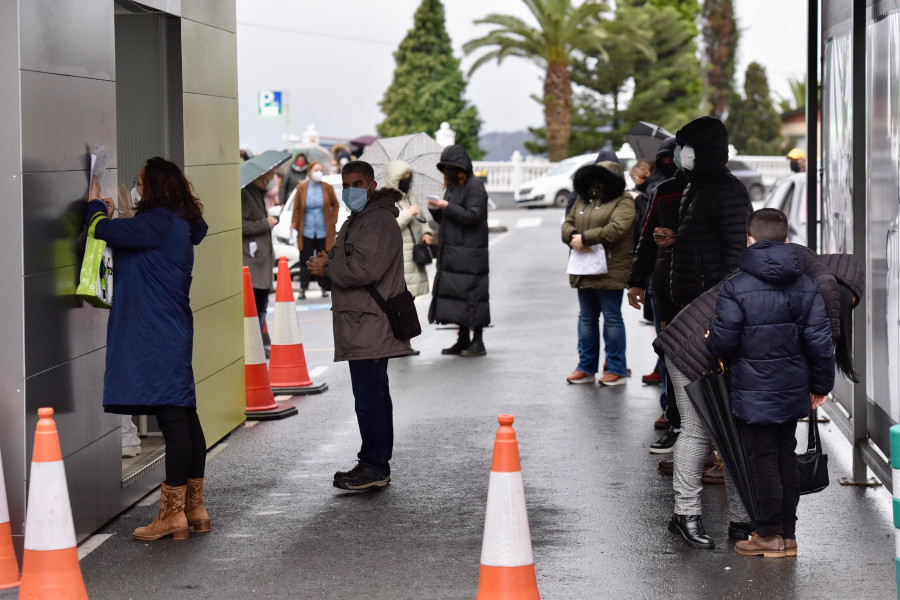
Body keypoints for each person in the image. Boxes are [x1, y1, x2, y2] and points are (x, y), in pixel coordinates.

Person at [86, 158, 209, 541]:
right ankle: (194, 508)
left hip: (156, 334)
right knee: (184, 415)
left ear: (153, 187)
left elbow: (103, 231)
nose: (135, 188)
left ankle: (172, 516)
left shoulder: (157, 223)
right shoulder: (176, 223)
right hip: (170, 329)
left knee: (174, 421)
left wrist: (94, 205)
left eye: (139, 183)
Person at [706, 208, 835, 558]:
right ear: (787, 240)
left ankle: (767, 534)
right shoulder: (806, 283)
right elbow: (820, 342)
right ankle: (787, 537)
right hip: (794, 386)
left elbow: (722, 343)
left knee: (761, 461)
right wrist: (822, 386)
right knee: (784, 458)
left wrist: (711, 336)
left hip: (752, 389)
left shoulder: (736, 285)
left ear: (749, 239)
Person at [664, 116, 754, 549]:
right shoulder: (694, 190)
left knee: (722, 429)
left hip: (710, 327)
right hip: (692, 325)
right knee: (703, 428)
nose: (681, 153)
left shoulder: (726, 193)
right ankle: (688, 515)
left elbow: (736, 264)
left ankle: (738, 520)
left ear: (704, 149)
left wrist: (721, 324)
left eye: (686, 146)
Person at [307, 161, 411, 490]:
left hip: (371, 322)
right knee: (374, 394)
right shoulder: (357, 220)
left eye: (357, 183)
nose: (350, 190)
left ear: (371, 185)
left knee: (369, 397)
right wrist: (323, 268)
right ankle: (376, 463)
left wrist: (329, 267)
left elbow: (365, 270)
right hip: (359, 320)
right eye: (345, 184)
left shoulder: (378, 221)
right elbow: (345, 265)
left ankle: (374, 465)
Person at [626, 138, 685, 452]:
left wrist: (679, 239)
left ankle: (707, 437)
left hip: (708, 289)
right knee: (670, 354)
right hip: (665, 285)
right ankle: (676, 420)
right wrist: (637, 280)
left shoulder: (723, 188)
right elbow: (647, 237)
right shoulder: (663, 191)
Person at [561, 161, 634, 386]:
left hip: (610, 269)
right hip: (583, 268)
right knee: (587, 319)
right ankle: (586, 367)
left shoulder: (623, 201)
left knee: (612, 318)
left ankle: (616, 369)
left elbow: (617, 229)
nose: (596, 182)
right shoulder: (582, 199)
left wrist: (584, 238)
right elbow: (567, 223)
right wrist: (573, 235)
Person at [428, 144, 490, 357]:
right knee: (458, 298)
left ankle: (478, 341)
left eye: (451, 167)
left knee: (473, 297)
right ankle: (463, 339)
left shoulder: (475, 187)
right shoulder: (453, 187)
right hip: (454, 254)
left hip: (470, 254)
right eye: (444, 168)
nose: (447, 172)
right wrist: (436, 210)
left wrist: (448, 207)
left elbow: (473, 216)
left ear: (461, 167)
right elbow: (449, 219)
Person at [290, 161, 340, 300]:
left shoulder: (327, 188)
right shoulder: (302, 188)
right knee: (305, 260)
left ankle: (324, 287)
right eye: (316, 170)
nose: (319, 172)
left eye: (320, 170)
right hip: (306, 230)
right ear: (309, 172)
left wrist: (334, 218)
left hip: (323, 230)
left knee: (323, 259)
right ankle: (303, 288)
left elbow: (335, 204)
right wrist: (293, 224)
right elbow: (297, 208)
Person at [241, 168, 278, 331]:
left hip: (262, 261)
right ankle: (255, 346)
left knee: (261, 305)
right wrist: (265, 223)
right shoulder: (245, 195)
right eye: (270, 175)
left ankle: (259, 344)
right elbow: (240, 225)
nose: (272, 179)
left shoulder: (257, 193)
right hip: (252, 261)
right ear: (261, 176)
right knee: (256, 307)